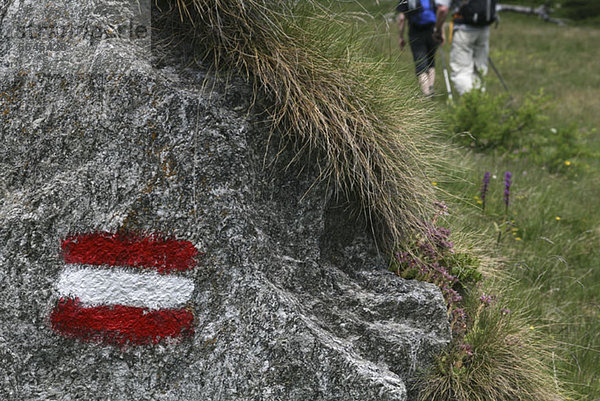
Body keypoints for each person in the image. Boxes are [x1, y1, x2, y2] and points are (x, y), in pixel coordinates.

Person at [433, 0, 495, 95]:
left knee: (462, 71)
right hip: (484, 29)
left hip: (464, 30)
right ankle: (480, 103)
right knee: (479, 69)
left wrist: (437, 29)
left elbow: (442, 9)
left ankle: (471, 104)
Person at [396, 0, 443, 97]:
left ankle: (426, 94)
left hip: (416, 32)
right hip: (432, 30)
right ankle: (431, 87)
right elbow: (439, 11)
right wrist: (441, 32)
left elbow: (401, 18)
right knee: (431, 60)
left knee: (420, 63)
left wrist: (400, 36)